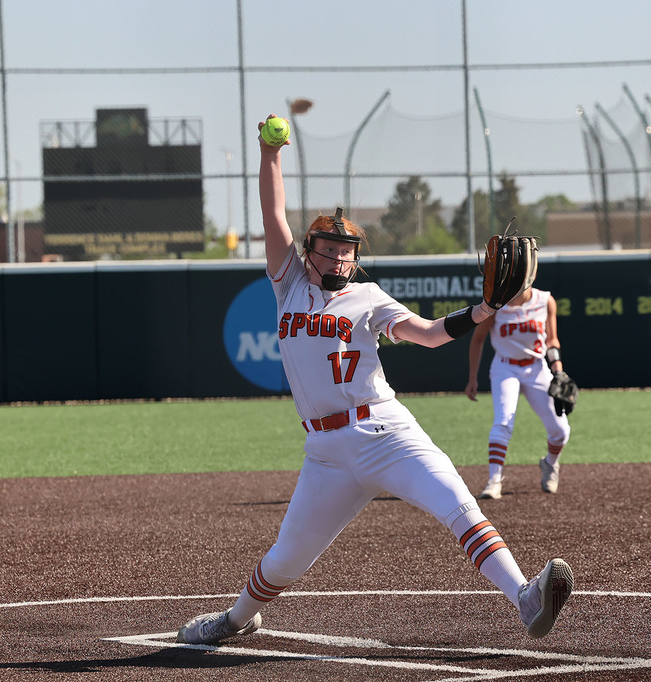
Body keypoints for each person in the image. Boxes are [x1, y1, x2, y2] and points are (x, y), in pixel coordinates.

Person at [175, 116, 573, 645]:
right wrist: (271, 153)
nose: (340, 255)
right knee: (285, 560)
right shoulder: (288, 284)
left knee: (459, 504)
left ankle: (525, 597)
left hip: (386, 430)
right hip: (325, 451)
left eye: (348, 250)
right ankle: (232, 620)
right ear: (309, 249)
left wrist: (482, 310)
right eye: (329, 246)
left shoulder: (370, 297)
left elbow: (430, 334)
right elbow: (273, 214)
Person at [465, 286, 570, 500]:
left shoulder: (545, 300)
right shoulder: (495, 304)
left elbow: (551, 340)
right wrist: (473, 377)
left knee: (561, 429)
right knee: (503, 422)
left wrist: (558, 369)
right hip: (505, 367)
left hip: (537, 367)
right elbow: (478, 339)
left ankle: (550, 463)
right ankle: (494, 481)